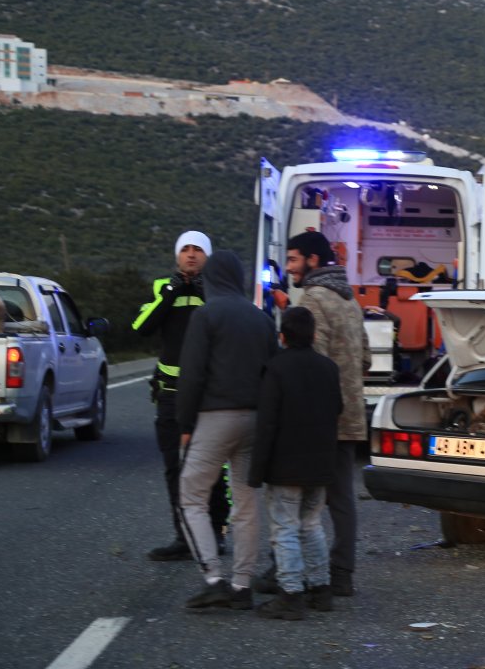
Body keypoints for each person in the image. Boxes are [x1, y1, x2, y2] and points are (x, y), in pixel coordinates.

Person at [178, 250, 278, 610]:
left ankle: (212, 577)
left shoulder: (205, 315)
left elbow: (192, 374)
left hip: (215, 416)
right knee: (246, 503)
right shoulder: (263, 319)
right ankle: (242, 584)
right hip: (255, 419)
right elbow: (274, 375)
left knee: (191, 495)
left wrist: (185, 424)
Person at [132, 230, 229, 562]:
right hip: (171, 395)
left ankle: (217, 532)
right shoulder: (163, 287)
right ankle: (184, 536)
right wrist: (172, 291)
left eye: (198, 250)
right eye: (185, 249)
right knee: (175, 468)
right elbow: (140, 326)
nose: (191, 255)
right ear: (176, 256)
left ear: (208, 256)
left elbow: (226, 324)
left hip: (209, 396)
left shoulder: (218, 290)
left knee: (214, 468)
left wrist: (204, 291)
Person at [283, 230, 370, 597]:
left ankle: (288, 571)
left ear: (313, 261)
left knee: (294, 498)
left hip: (321, 418)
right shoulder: (350, 300)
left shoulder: (313, 300)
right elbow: (365, 358)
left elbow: (308, 362)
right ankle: (343, 573)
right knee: (342, 499)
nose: (289, 269)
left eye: (293, 259)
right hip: (351, 414)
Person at [248, 306, 343, 620]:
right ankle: (321, 588)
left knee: (284, 529)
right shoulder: (329, 368)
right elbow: (337, 409)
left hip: (285, 466)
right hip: (320, 465)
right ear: (314, 335)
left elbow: (267, 424)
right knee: (311, 525)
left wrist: (257, 470)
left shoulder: (275, 369)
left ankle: (290, 594)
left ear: (282, 336)